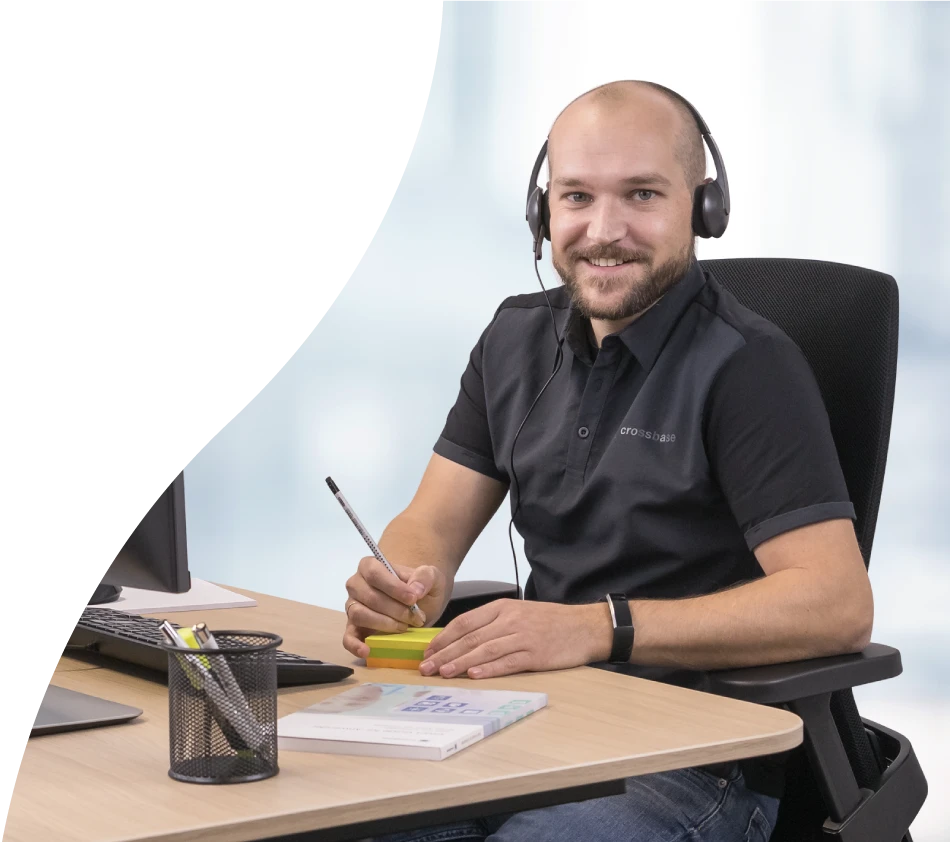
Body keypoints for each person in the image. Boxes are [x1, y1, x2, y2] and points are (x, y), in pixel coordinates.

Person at [341, 79, 874, 842]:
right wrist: (404, 589)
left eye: (642, 195)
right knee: (320, 813)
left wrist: (600, 628)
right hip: (533, 718)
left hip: (695, 757)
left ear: (703, 208)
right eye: (577, 197)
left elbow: (836, 604)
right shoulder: (514, 340)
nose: (604, 230)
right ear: (543, 212)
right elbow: (430, 523)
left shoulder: (748, 366)